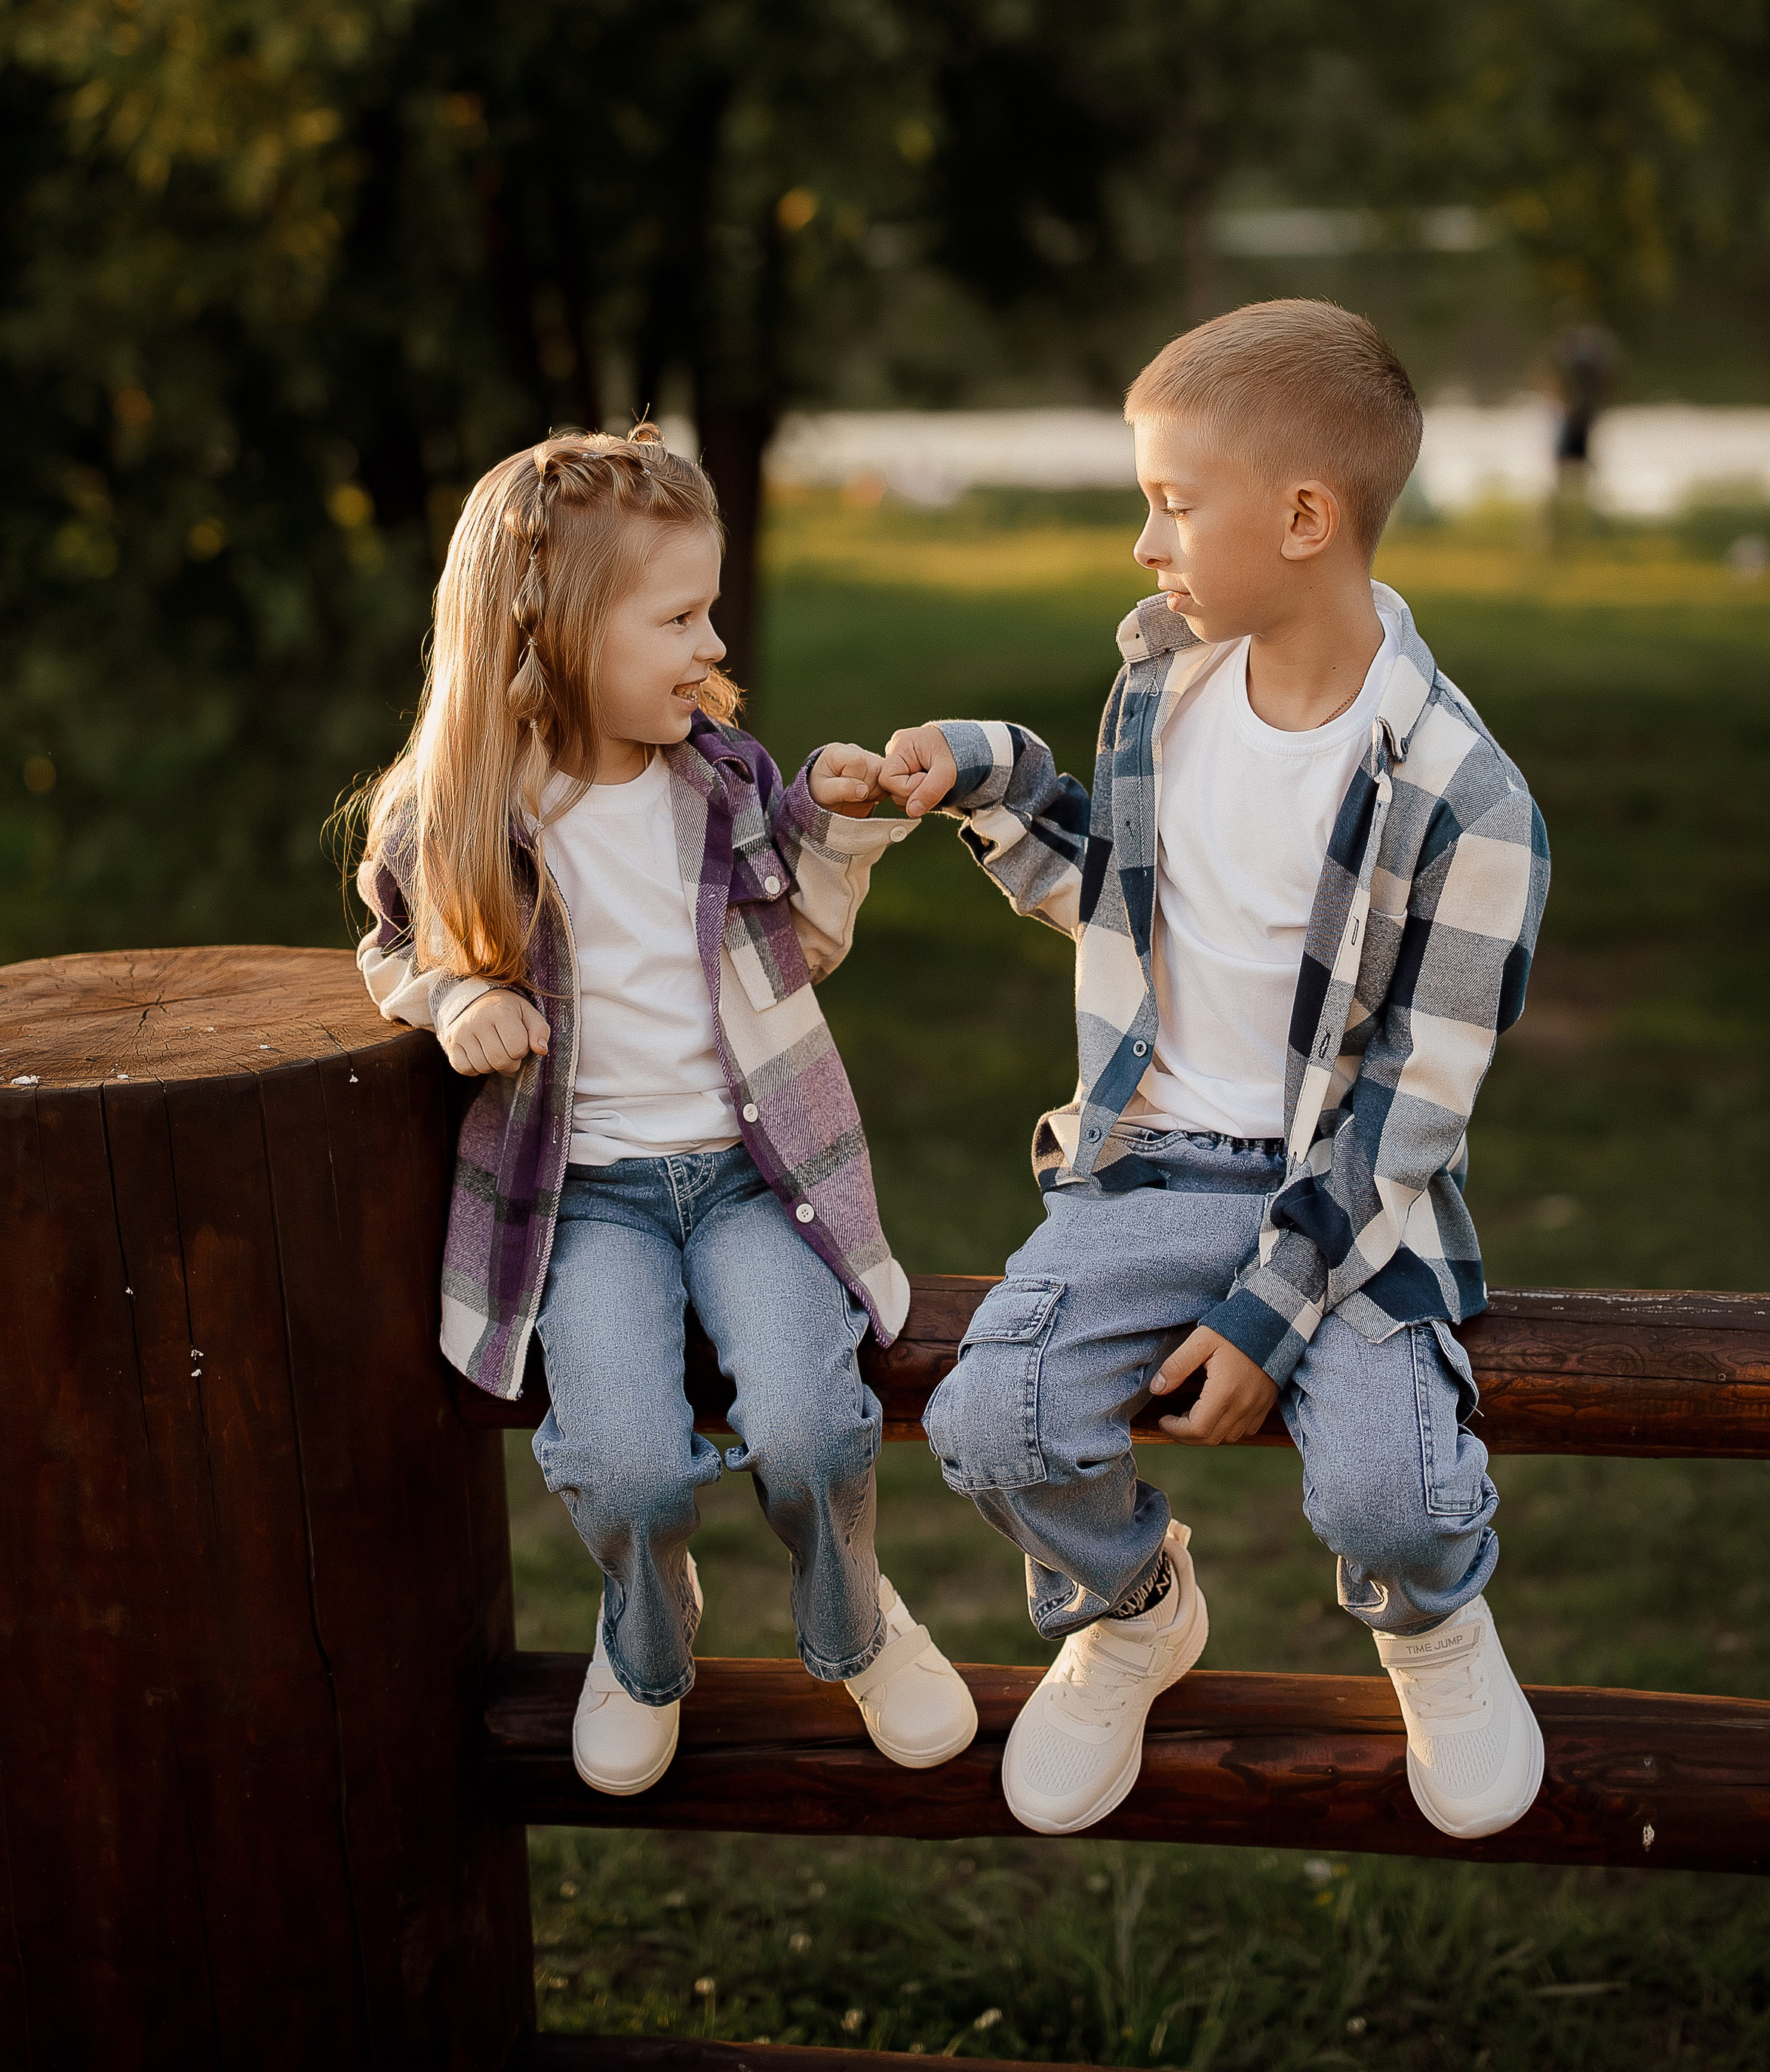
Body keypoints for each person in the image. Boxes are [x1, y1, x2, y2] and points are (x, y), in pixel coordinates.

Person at [877, 300, 1550, 1842]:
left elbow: (1402, 1123)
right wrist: (966, 778)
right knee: (991, 1422)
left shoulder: (1468, 803)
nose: (1140, 543)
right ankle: (1128, 1606)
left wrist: (1267, 1316)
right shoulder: (1161, 693)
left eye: (1171, 503)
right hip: (1147, 1166)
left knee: (1384, 1489)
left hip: (1347, 1205)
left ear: (1302, 517)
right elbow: (1108, 891)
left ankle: (1429, 1619)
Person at [352, 423, 976, 1796]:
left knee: (812, 1430)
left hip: (758, 1179)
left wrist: (839, 823)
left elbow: (799, 944)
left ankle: (858, 1625)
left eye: (708, 608)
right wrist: (457, 1001)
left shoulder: (723, 781)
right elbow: (392, 947)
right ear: (556, 628)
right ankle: (645, 1641)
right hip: (586, 1203)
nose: (709, 643)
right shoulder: (457, 811)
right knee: (630, 1467)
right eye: (677, 614)